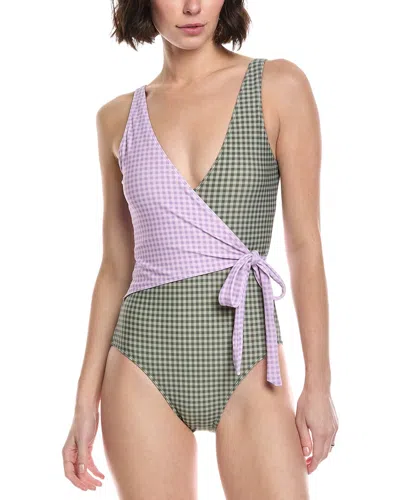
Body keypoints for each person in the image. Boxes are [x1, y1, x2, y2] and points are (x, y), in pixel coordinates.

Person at [62, 0, 339, 498]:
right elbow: (115, 266)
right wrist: (85, 402)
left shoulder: (278, 86)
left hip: (250, 362)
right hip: (141, 363)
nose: (192, 6)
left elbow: (305, 245)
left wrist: (319, 385)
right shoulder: (117, 118)